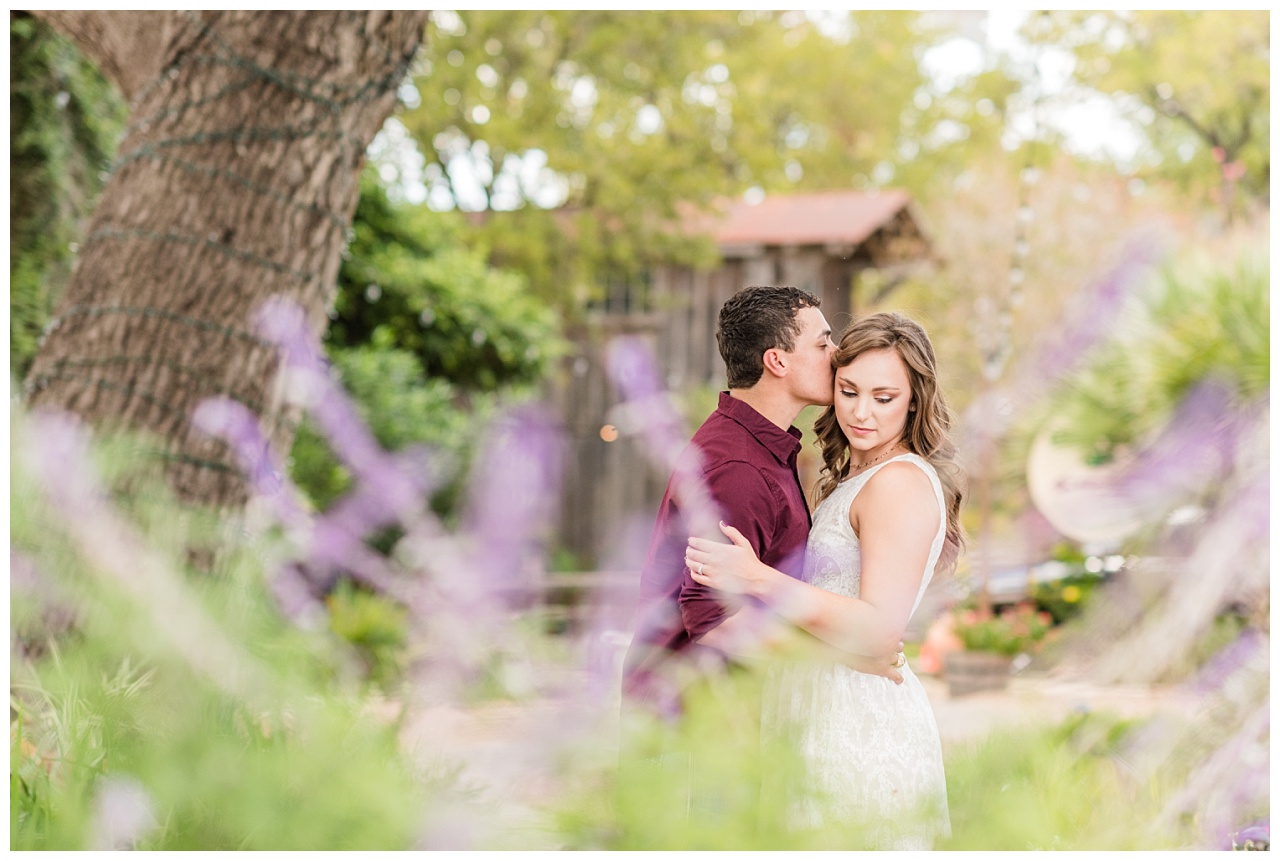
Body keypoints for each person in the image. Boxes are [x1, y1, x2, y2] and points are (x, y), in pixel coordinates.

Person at [685, 311, 966, 848]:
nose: (862, 412)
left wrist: (758, 579)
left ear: (915, 400)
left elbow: (880, 631)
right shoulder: (857, 477)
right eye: (849, 390)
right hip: (816, 701)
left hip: (857, 716)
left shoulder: (899, 483)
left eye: (884, 397)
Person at [621, 287, 904, 717]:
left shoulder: (756, 448)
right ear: (777, 361)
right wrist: (843, 657)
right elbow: (714, 623)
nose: (836, 353)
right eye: (822, 342)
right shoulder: (739, 468)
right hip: (693, 729)